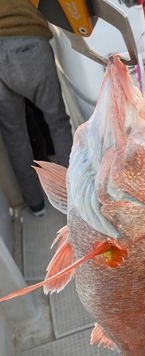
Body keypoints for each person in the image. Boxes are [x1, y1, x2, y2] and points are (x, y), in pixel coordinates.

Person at [0, 0, 73, 216]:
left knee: (15, 135)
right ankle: (73, 198)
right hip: (27, 41)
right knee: (57, 121)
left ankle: (36, 205)